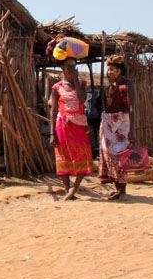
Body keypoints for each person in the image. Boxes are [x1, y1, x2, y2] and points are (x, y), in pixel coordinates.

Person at [49, 57, 93, 201]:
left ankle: (74, 189)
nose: (72, 70)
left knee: (84, 154)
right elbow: (53, 110)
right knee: (63, 156)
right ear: (62, 68)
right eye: (69, 67)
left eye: (74, 67)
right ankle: (68, 190)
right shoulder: (57, 87)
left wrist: (75, 81)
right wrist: (52, 133)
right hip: (62, 125)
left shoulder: (82, 84)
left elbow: (81, 99)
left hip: (78, 125)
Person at [98, 56, 136, 201]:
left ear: (120, 70)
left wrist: (132, 130)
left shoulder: (128, 85)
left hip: (121, 125)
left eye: (112, 69)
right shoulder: (112, 86)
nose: (109, 72)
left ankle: (122, 190)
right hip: (108, 125)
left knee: (120, 156)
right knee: (109, 156)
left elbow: (132, 108)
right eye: (108, 69)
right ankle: (116, 188)